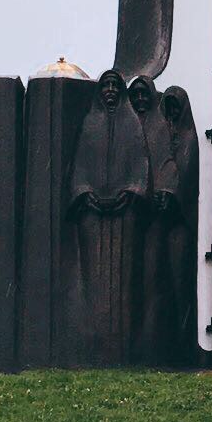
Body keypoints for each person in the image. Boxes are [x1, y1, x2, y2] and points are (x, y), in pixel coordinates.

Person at [64, 69, 151, 364]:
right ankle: (94, 346)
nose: (111, 90)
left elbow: (140, 163)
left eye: (116, 86)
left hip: (125, 211)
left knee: (123, 278)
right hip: (93, 211)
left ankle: (123, 348)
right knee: (95, 277)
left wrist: (133, 190)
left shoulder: (132, 124)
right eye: (106, 86)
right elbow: (79, 165)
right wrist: (84, 191)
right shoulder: (90, 123)